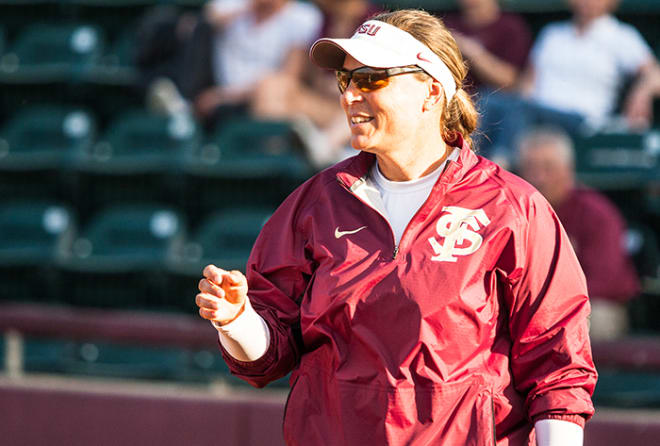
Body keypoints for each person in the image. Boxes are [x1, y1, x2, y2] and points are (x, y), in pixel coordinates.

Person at [195, 9, 597, 445]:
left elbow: (558, 367)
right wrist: (237, 320)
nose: (350, 96)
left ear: (430, 90)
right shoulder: (314, 205)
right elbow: (269, 355)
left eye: (370, 79)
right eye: (346, 81)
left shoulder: (513, 208)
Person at [517, 126, 641, 340]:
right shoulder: (513, 211)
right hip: (527, 306)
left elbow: (607, 283)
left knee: (592, 318)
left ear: (568, 169)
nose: (539, 178)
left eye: (549, 168)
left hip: (587, 305)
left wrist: (549, 303)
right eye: (531, 168)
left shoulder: (596, 213)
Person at [181, 0, 323, 129]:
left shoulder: (303, 17)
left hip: (255, 98)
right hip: (215, 92)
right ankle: (180, 101)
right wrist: (250, 7)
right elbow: (209, 18)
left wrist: (223, 97)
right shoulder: (235, 7)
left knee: (271, 93)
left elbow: (288, 78)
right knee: (189, 30)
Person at [443, 0, 532, 164]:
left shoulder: (510, 26)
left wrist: (473, 52)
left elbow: (509, 82)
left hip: (493, 108)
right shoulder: (449, 25)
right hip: (454, 103)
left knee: (496, 101)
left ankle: (493, 162)